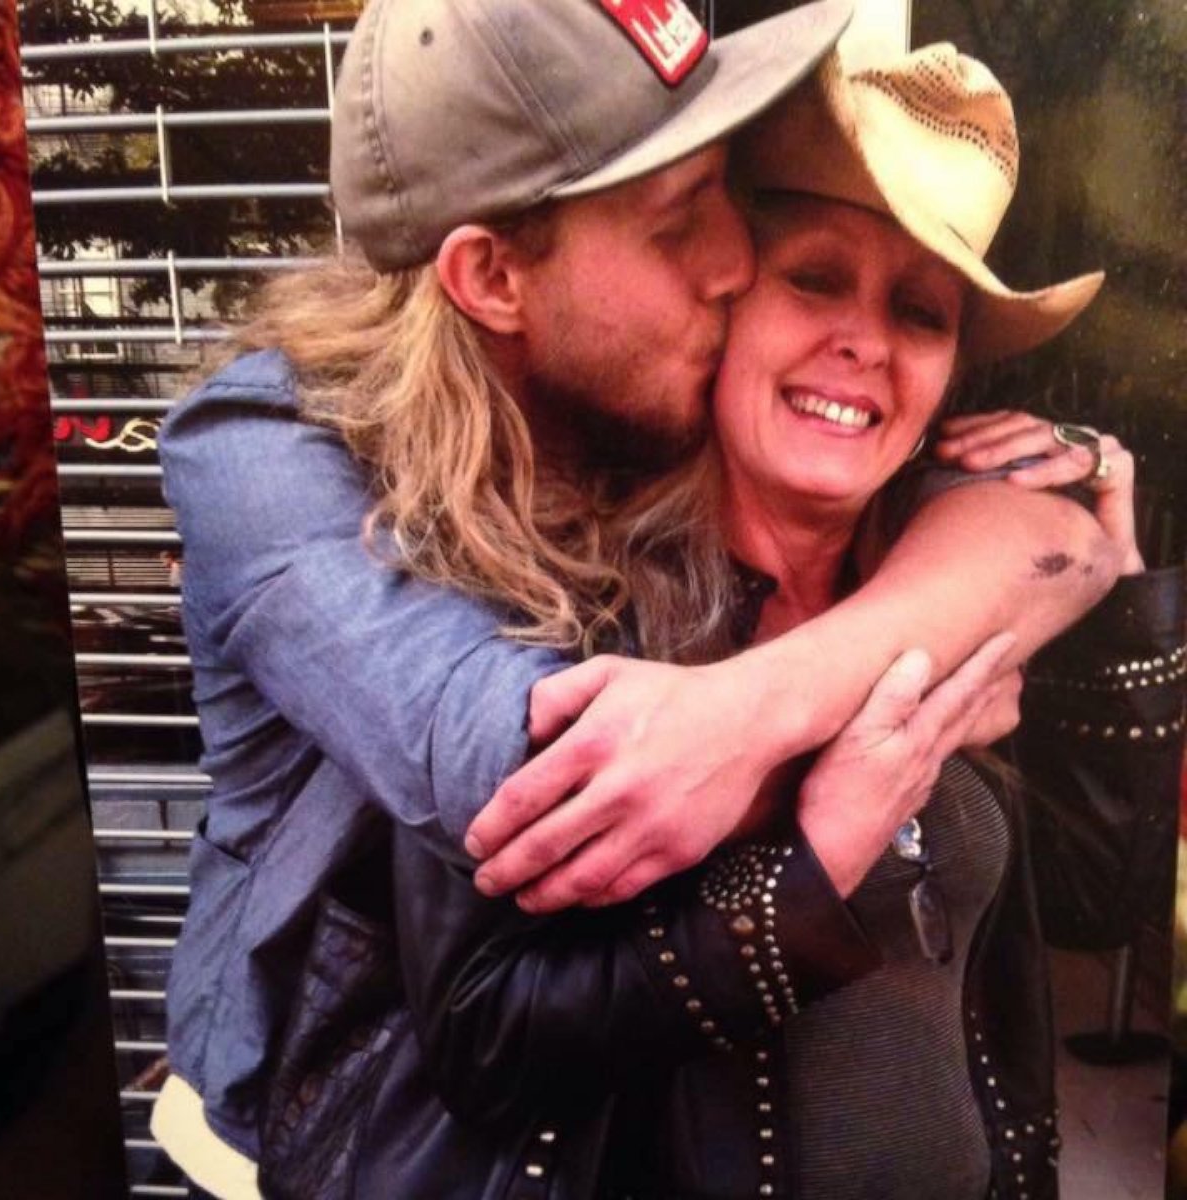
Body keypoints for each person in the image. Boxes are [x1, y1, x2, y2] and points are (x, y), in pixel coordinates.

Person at [150, 3, 1127, 1195]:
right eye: (679, 227)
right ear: (494, 277)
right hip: (313, 1110)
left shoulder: (749, 464)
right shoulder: (282, 457)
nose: (726, 262)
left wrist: (1043, 547)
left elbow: (1055, 564)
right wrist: (910, 696)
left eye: (724, 190)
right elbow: (553, 770)